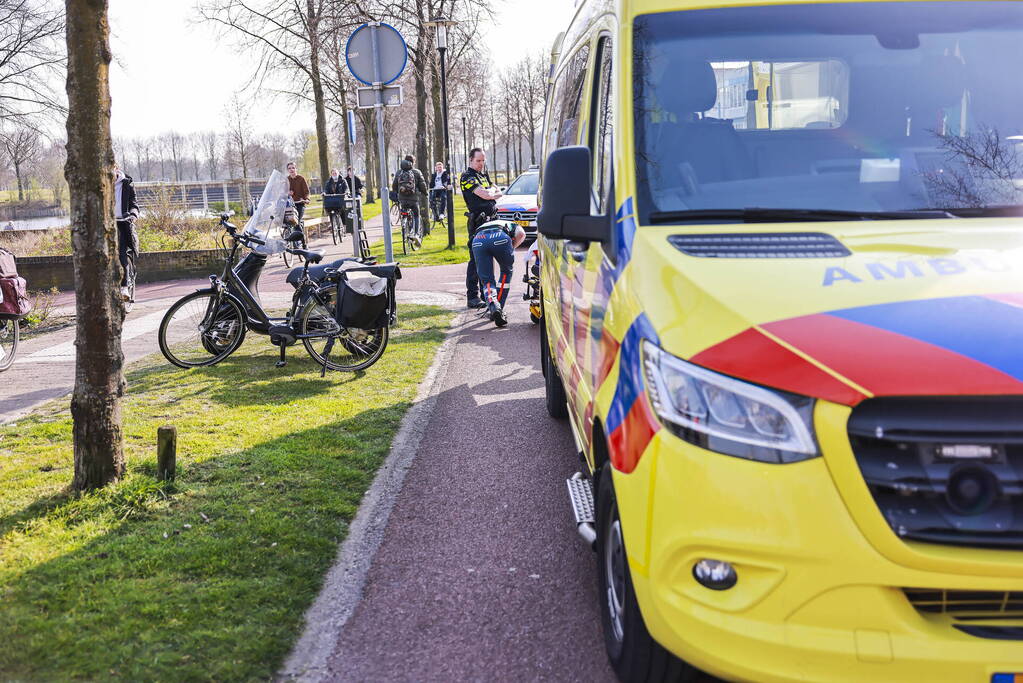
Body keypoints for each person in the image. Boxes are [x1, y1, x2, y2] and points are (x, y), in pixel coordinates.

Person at [460, 148, 503, 309]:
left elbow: (498, 191)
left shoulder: (483, 175)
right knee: (476, 259)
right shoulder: (467, 177)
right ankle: (472, 296)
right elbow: (485, 195)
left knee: (489, 258)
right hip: (478, 223)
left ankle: (488, 294)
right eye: (478, 160)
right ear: (470, 160)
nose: (481, 164)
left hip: (492, 221)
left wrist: (490, 192)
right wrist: (490, 193)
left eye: (483, 160)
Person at [471, 218, 526, 327]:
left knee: (487, 280)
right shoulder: (513, 225)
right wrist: (511, 247)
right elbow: (521, 234)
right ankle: (499, 309)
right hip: (500, 237)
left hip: (478, 240)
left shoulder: (488, 224)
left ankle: (493, 305)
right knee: (506, 272)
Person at [112, 163, 140, 301]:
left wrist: (133, 214)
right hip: (107, 224)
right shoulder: (101, 186)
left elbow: (134, 203)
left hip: (123, 223)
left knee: (121, 253)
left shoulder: (127, 184)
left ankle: (124, 288)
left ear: (116, 168)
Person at [391, 154, 428, 247]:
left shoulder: (399, 172)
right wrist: (425, 193)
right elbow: (422, 185)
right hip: (413, 199)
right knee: (416, 215)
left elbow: (394, 185)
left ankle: (405, 228)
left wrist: (397, 193)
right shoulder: (417, 172)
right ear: (413, 162)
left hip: (402, 199)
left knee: (404, 213)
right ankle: (416, 234)